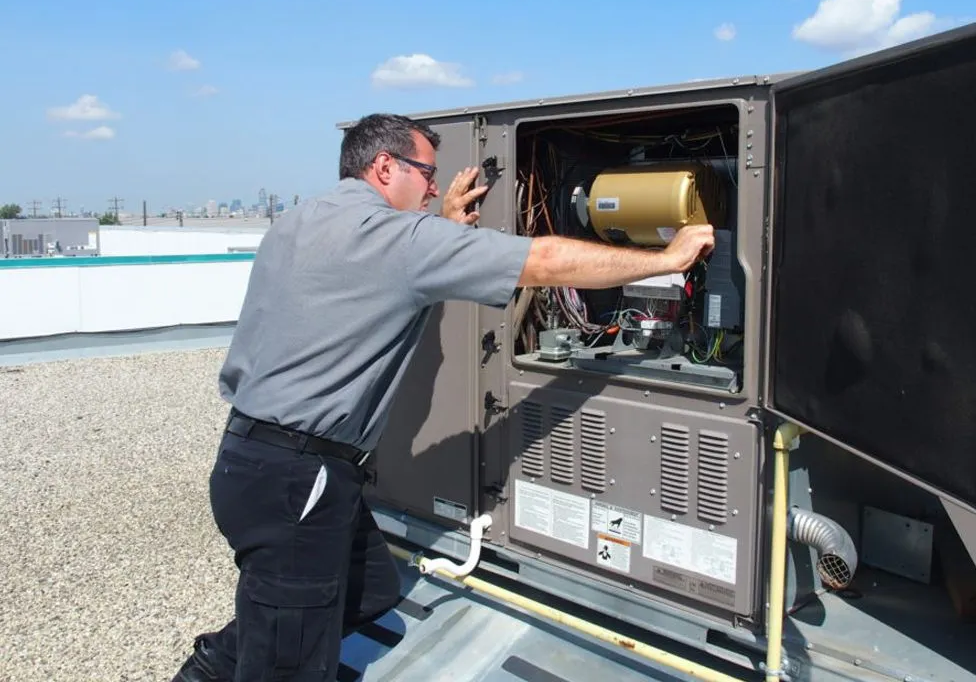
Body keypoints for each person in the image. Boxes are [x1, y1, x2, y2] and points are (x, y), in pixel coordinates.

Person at [173, 112, 714, 681]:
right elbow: (544, 261)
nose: (434, 188)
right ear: (385, 166)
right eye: (427, 173)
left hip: (248, 461)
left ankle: (219, 663)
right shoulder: (399, 240)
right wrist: (667, 259)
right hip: (301, 479)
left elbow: (375, 283)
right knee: (290, 662)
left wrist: (446, 227)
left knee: (367, 589)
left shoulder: (300, 220)